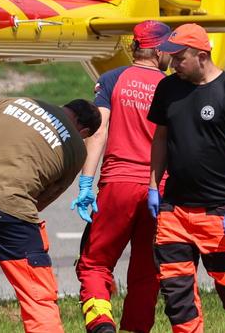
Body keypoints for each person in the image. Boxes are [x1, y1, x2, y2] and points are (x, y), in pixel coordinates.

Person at [0, 96, 101, 332]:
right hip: (13, 208)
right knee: (36, 295)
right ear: (84, 130)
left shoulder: (9, 102)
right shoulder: (77, 149)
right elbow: (44, 198)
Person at [147, 23, 225, 333]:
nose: (172, 65)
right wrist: (152, 186)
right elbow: (160, 139)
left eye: (179, 58)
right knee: (176, 295)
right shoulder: (168, 88)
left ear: (201, 55)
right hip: (174, 212)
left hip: (219, 213)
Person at [73, 20, 172, 333]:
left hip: (117, 184)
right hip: (160, 189)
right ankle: (137, 328)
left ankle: (101, 322)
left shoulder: (113, 79)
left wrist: (86, 182)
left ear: (135, 48)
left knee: (95, 262)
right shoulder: (174, 87)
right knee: (146, 270)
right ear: (158, 50)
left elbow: (98, 133)